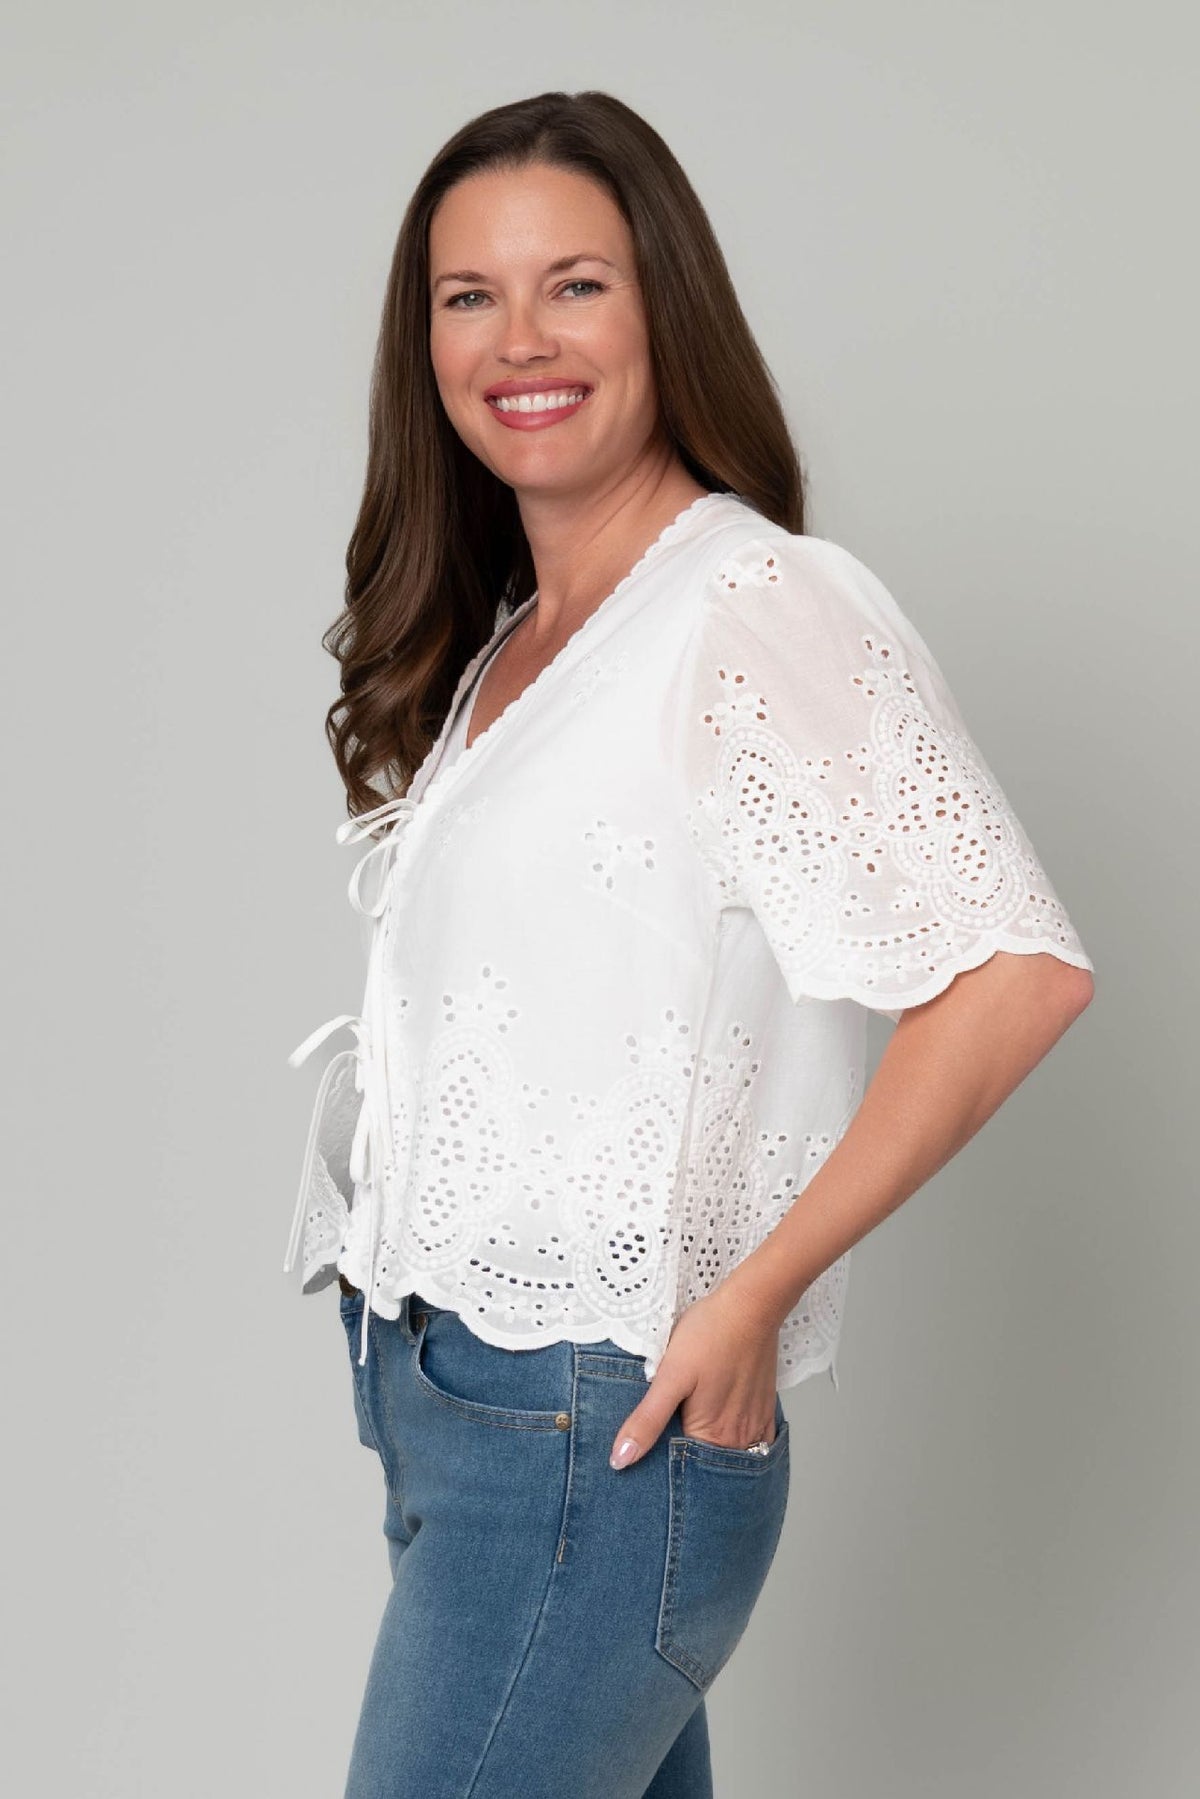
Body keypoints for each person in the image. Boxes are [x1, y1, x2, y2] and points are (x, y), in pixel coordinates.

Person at [282, 89, 1095, 1799]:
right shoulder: (520, 643)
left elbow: (1014, 972)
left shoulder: (751, 604)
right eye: (469, 296)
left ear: (667, 307)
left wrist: (755, 1295)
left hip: (594, 1434)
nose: (520, 340)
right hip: (454, 1411)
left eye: (575, 285)